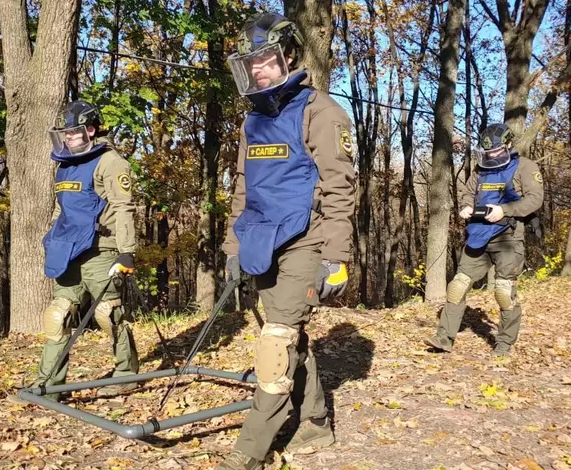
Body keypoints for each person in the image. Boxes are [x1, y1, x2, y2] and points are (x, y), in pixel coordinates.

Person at [216, 11, 357, 470]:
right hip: (262, 242)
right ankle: (315, 423)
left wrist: (337, 256)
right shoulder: (251, 122)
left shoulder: (323, 112)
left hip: (307, 242)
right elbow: (243, 188)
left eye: (266, 59)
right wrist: (234, 247)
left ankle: (249, 453)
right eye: (250, 62)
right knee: (290, 337)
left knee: (275, 346)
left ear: (289, 55)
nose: (258, 69)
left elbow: (340, 188)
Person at [8, 100, 141, 404]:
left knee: (110, 314)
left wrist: (126, 251)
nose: (67, 137)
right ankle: (48, 384)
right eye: (64, 132)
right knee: (58, 315)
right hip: (68, 251)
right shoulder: (64, 165)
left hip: (101, 250)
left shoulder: (111, 162)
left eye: (73, 131)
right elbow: (61, 210)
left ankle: (126, 375)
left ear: (90, 129)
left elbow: (123, 207)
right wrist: (51, 240)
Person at [426, 123, 544, 356]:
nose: (491, 156)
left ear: (508, 144)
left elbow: (535, 199)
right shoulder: (480, 170)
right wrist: (468, 207)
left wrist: (506, 210)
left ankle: (504, 343)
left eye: (496, 151)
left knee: (503, 289)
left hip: (508, 237)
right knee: (457, 286)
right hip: (478, 235)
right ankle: (444, 338)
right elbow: (469, 192)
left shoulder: (525, 167)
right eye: (488, 152)